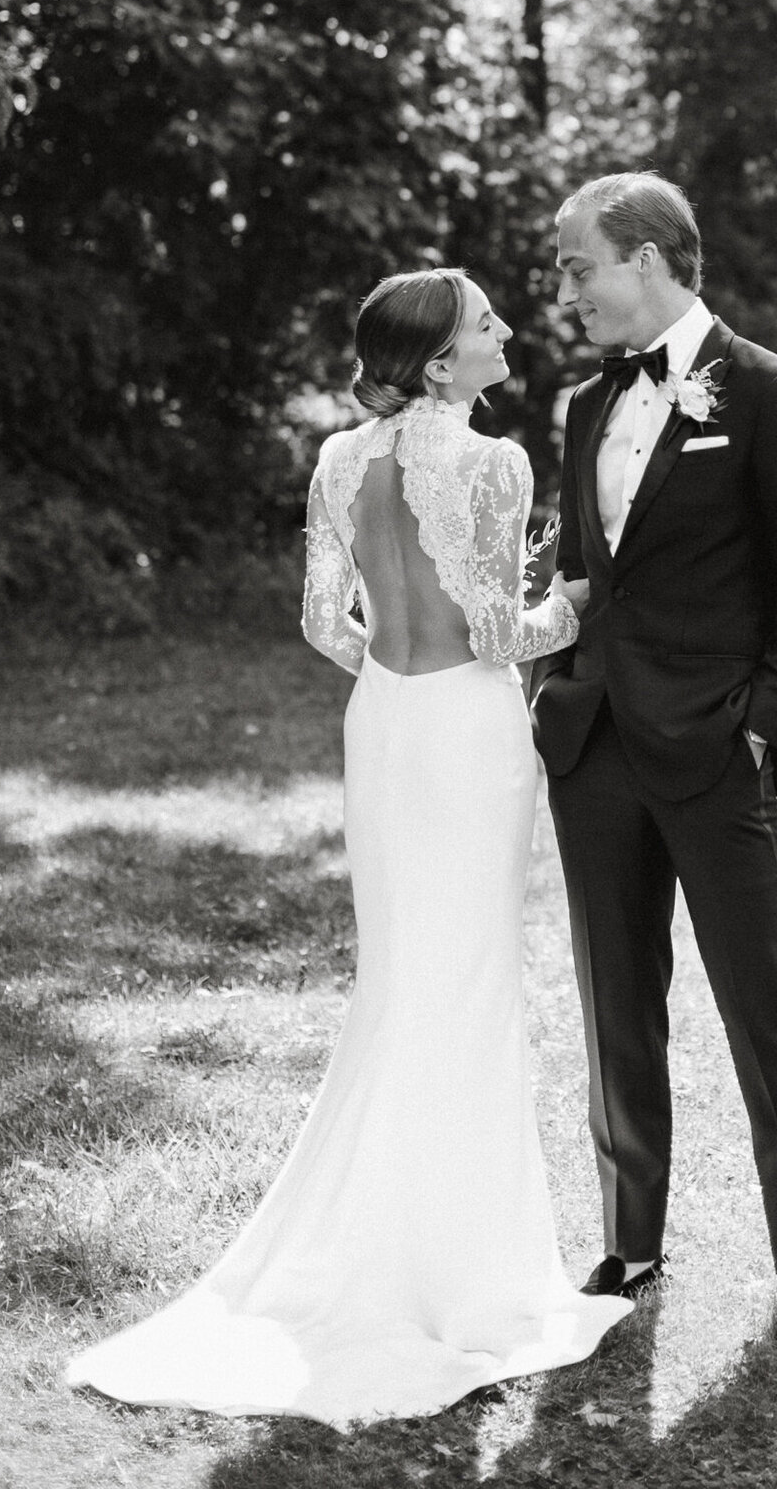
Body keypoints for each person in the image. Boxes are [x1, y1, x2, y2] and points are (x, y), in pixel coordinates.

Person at [66, 270, 628, 1426]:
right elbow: (492, 630)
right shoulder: (496, 463)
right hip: (470, 730)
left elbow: (325, 622)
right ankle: (463, 1273)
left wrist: (390, 672)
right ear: (437, 365)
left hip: (383, 723)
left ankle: (390, 1234)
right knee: (468, 980)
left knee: (400, 978)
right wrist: (573, 602)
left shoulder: (336, 459)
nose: (505, 332)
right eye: (483, 327)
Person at [532, 173, 777, 1330]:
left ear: (653, 260)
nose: (566, 291)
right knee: (616, 1002)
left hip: (717, 747)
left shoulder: (770, 392)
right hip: (595, 744)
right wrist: (548, 681)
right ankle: (630, 1244)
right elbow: (575, 572)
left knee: (756, 1002)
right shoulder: (583, 406)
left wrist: (764, 727)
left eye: (579, 266)